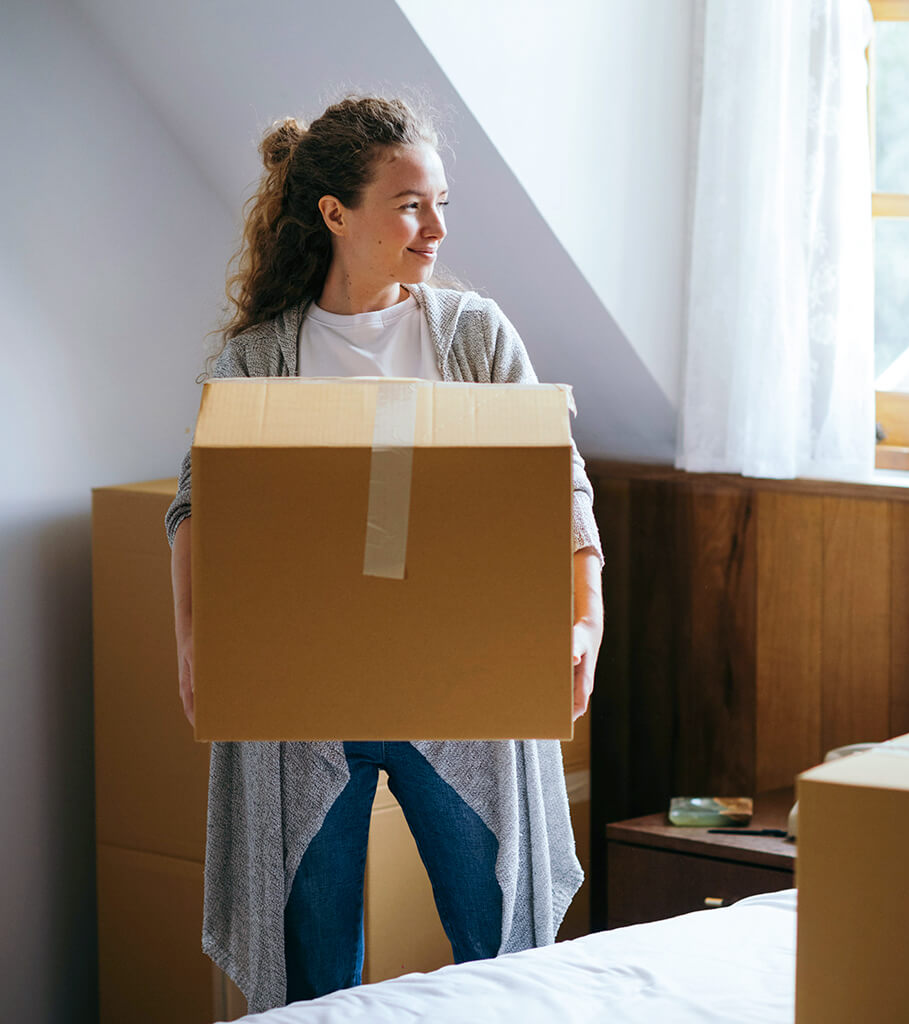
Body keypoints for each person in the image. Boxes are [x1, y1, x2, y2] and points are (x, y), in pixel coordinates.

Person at [165, 94, 604, 1015]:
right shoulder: (258, 359)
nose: (437, 228)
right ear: (336, 213)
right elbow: (199, 506)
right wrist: (195, 641)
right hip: (301, 697)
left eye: (441, 202)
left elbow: (558, 482)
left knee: (502, 956)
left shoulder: (474, 333)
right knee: (310, 977)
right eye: (411, 204)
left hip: (462, 684)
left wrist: (585, 615)